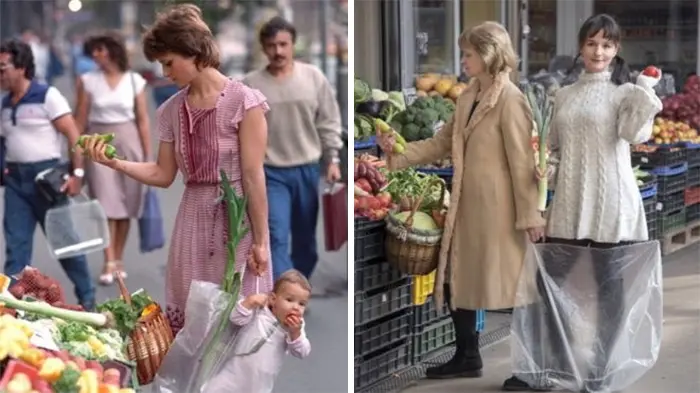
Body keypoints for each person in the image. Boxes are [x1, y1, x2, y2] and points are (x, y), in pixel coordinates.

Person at [79, 4, 272, 334]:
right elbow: (162, 174)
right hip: (192, 220)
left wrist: (262, 240)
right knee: (193, 324)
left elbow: (254, 176)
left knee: (235, 319)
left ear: (193, 51)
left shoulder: (245, 101)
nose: (165, 72)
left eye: (169, 62)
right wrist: (114, 162)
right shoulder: (169, 110)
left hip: (236, 220)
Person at [376, 21, 545, 381]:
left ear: (487, 54)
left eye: (468, 53)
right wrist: (397, 155)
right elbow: (441, 144)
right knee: (456, 279)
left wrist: (530, 215)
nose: (463, 59)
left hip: (501, 211)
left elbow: (522, 162)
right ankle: (467, 356)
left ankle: (532, 368)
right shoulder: (469, 96)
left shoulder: (511, 101)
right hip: (467, 207)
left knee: (514, 287)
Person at [504, 14, 663, 393]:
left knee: (610, 292)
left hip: (612, 203)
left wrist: (644, 91)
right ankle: (546, 367)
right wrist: (546, 171)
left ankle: (600, 369)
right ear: (580, 47)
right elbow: (555, 150)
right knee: (550, 286)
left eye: (607, 45)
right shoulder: (563, 94)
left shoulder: (624, 93)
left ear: (616, 50)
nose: (598, 51)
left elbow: (634, 133)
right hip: (571, 203)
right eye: (592, 43)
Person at [242, 17, 343, 281]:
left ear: (293, 45)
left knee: (305, 241)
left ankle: (298, 288)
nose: (278, 51)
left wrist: (333, 158)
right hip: (270, 172)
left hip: (307, 169)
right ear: (264, 48)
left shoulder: (313, 77)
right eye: (272, 45)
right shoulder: (251, 84)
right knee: (275, 235)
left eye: (283, 44)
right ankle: (282, 292)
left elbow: (329, 120)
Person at [0, 39, 95, 310]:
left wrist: (77, 173)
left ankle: (87, 300)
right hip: (16, 184)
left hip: (48, 182)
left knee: (67, 246)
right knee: (15, 249)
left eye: (3, 67)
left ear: (21, 67)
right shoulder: (5, 104)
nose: (0, 73)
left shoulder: (47, 96)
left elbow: (73, 135)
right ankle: (10, 309)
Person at [74, 31, 151, 285]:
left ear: (113, 50)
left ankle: (118, 258)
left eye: (101, 49)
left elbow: (142, 120)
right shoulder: (87, 80)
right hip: (98, 142)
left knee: (127, 205)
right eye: (93, 50)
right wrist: (77, 158)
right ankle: (108, 260)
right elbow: (80, 121)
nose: (96, 55)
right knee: (105, 203)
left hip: (129, 140)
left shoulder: (134, 81)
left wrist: (147, 155)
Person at [205, 269, 311, 393]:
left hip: (259, 383)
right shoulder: (260, 311)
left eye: (302, 304)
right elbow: (236, 319)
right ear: (273, 299)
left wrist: (295, 334)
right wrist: (249, 303)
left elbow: (302, 352)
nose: (296, 307)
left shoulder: (296, 327)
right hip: (234, 372)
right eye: (289, 300)